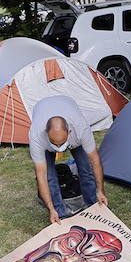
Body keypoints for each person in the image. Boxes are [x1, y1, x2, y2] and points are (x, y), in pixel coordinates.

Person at [30, 94, 108, 224]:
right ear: (46, 134)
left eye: (62, 142)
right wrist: (50, 209)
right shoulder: (37, 136)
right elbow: (42, 176)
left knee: (86, 168)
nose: (59, 148)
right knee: (50, 177)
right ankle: (60, 214)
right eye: (54, 143)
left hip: (70, 115)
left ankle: (94, 206)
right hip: (42, 108)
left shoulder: (80, 128)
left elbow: (95, 161)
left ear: (69, 132)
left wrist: (100, 191)